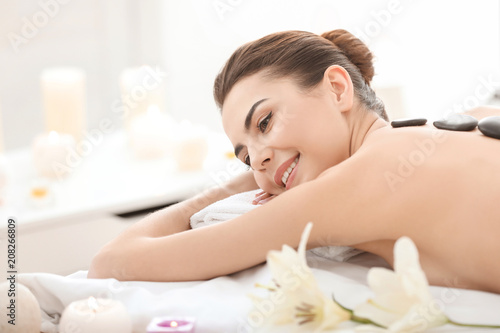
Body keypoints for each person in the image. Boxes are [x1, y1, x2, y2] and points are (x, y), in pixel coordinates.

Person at [88, 29, 500, 294]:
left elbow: (112, 263)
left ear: (338, 89)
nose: (259, 162)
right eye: (245, 156)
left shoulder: (353, 184)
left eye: (265, 121)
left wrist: (233, 186)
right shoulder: (441, 132)